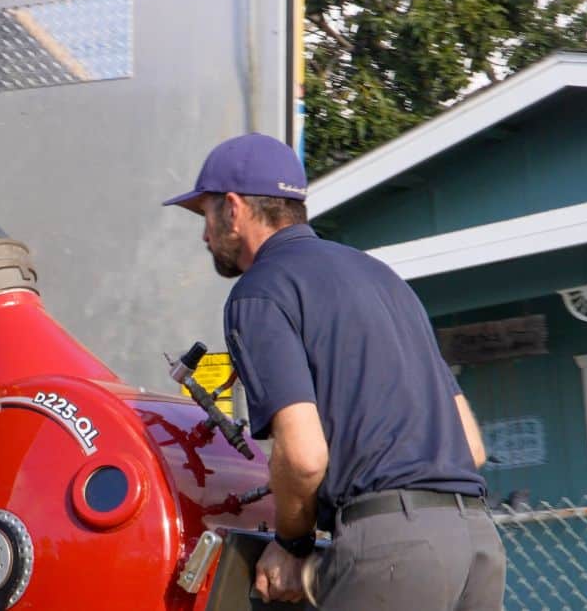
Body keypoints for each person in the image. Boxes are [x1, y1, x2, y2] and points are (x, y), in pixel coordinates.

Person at [163, 133, 505, 609]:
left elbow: (303, 455)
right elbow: (470, 444)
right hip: (476, 544)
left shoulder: (260, 292)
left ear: (235, 209)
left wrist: (292, 545)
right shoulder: (382, 278)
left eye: (205, 216)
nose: (204, 235)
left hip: (394, 552)